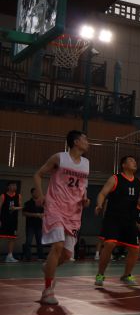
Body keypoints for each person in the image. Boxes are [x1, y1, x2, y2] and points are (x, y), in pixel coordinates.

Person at [33, 130, 91, 305]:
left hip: (74, 211)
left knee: (66, 255)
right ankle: (47, 290)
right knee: (57, 246)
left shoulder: (86, 163)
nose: (87, 142)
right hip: (55, 206)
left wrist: (85, 199)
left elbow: (83, 187)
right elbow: (38, 174)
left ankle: (48, 267)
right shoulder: (59, 158)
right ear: (76, 141)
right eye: (85, 139)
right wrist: (40, 195)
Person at [94, 155, 140, 287]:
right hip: (113, 219)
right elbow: (102, 193)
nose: (134, 162)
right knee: (109, 244)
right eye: (131, 161)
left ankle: (126, 275)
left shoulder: (139, 182)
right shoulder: (115, 178)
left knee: (135, 249)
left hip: (129, 220)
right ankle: (100, 274)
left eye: (135, 161)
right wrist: (99, 205)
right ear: (123, 165)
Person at [0, 182, 23, 262]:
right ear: (8, 187)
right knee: (1, 237)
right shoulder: (3, 196)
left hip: (13, 221)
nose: (14, 187)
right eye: (12, 185)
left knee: (12, 238)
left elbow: (21, 207)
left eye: (15, 185)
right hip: (3, 220)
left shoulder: (18, 196)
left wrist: (15, 208)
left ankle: (9, 256)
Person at [22, 187, 45, 261]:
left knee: (39, 241)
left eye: (38, 192)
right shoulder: (28, 203)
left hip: (39, 225)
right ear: (32, 193)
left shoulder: (41, 203)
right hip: (30, 225)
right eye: (35, 192)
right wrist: (35, 215)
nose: (37, 193)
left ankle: (40, 256)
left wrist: (42, 215)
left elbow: (45, 212)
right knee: (28, 241)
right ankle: (28, 257)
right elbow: (24, 213)